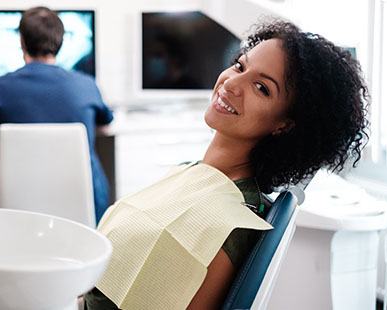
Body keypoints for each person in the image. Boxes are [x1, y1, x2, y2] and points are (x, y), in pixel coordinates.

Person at [84, 20, 368, 309]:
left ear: (285, 124)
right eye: (240, 66)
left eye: (261, 87)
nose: (231, 84)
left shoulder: (232, 225)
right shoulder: (191, 170)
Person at [0, 7, 113, 221]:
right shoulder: (87, 86)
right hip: (88, 212)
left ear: (21, 42)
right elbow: (106, 125)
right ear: (60, 42)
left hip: (21, 215)